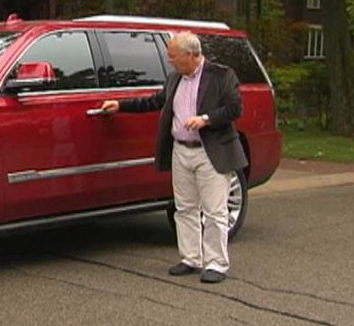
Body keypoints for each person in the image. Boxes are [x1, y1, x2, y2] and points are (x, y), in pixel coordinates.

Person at [100, 31, 248, 283]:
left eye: (174, 57)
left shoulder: (222, 75)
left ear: (191, 55)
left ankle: (216, 263)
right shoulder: (174, 79)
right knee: (185, 208)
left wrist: (205, 119)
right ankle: (190, 257)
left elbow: (234, 108)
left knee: (214, 211)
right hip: (182, 150)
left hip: (210, 151)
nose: (170, 61)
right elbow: (155, 101)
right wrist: (121, 105)